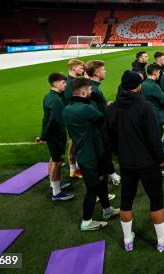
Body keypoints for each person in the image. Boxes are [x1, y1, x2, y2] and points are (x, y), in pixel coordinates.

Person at [106, 71, 164, 252]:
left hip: (126, 163)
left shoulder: (111, 108)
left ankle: (128, 240)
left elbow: (109, 138)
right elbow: (153, 138)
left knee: (126, 200)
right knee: (156, 199)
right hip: (147, 162)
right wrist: (160, 160)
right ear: (137, 86)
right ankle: (162, 240)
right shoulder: (145, 106)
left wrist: (119, 155)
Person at [62, 78, 120, 232]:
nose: (91, 92)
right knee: (92, 189)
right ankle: (86, 222)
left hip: (85, 153)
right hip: (92, 155)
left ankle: (107, 210)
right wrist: (103, 102)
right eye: (89, 90)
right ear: (82, 92)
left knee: (101, 184)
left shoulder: (68, 108)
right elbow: (105, 118)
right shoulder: (85, 109)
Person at [36, 72, 74, 201]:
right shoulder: (56, 100)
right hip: (56, 136)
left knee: (53, 160)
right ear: (56, 83)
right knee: (57, 162)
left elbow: (46, 119)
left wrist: (43, 135)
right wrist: (43, 137)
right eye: (64, 82)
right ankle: (56, 193)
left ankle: (54, 186)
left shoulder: (50, 96)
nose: (66, 85)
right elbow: (54, 121)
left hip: (53, 135)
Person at [86, 60, 121, 186]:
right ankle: (109, 175)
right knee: (104, 151)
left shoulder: (92, 87)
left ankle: (110, 173)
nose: (105, 71)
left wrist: (106, 105)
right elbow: (97, 112)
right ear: (96, 72)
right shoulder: (94, 89)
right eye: (103, 69)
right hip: (99, 129)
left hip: (99, 128)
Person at [142, 64, 164, 176]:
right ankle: (157, 168)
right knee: (156, 143)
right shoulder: (154, 86)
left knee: (149, 142)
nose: (160, 75)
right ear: (154, 73)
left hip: (145, 117)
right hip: (156, 117)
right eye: (159, 73)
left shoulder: (142, 84)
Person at [64, 59, 86, 179]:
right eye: (81, 68)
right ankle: (73, 169)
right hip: (73, 118)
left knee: (76, 143)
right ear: (73, 68)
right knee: (73, 143)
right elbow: (70, 102)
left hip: (74, 116)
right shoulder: (70, 83)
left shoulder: (73, 81)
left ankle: (76, 167)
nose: (83, 70)